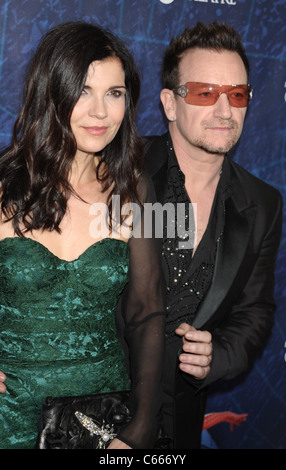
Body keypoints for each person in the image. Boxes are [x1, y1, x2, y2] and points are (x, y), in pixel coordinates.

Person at [0, 22, 165, 449]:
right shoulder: (3, 185)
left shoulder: (134, 189)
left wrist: (139, 428)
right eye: (84, 90)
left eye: (115, 93)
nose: (100, 112)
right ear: (52, 92)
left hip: (100, 423)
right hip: (9, 415)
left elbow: (146, 313)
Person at [141, 22, 283, 448]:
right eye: (205, 93)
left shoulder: (264, 204)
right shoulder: (116, 171)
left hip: (180, 423)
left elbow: (255, 313)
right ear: (170, 103)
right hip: (88, 411)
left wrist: (215, 357)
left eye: (237, 95)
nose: (225, 110)